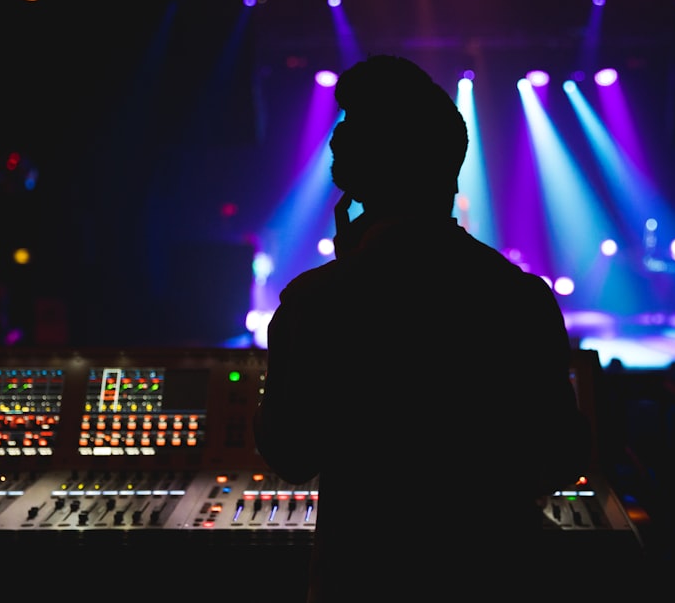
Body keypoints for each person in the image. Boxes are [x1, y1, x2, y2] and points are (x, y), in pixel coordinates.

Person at [253, 54, 592, 602]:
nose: (336, 136)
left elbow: (289, 454)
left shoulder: (317, 301)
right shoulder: (522, 298)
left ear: (357, 174)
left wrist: (345, 275)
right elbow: (562, 456)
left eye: (349, 130)